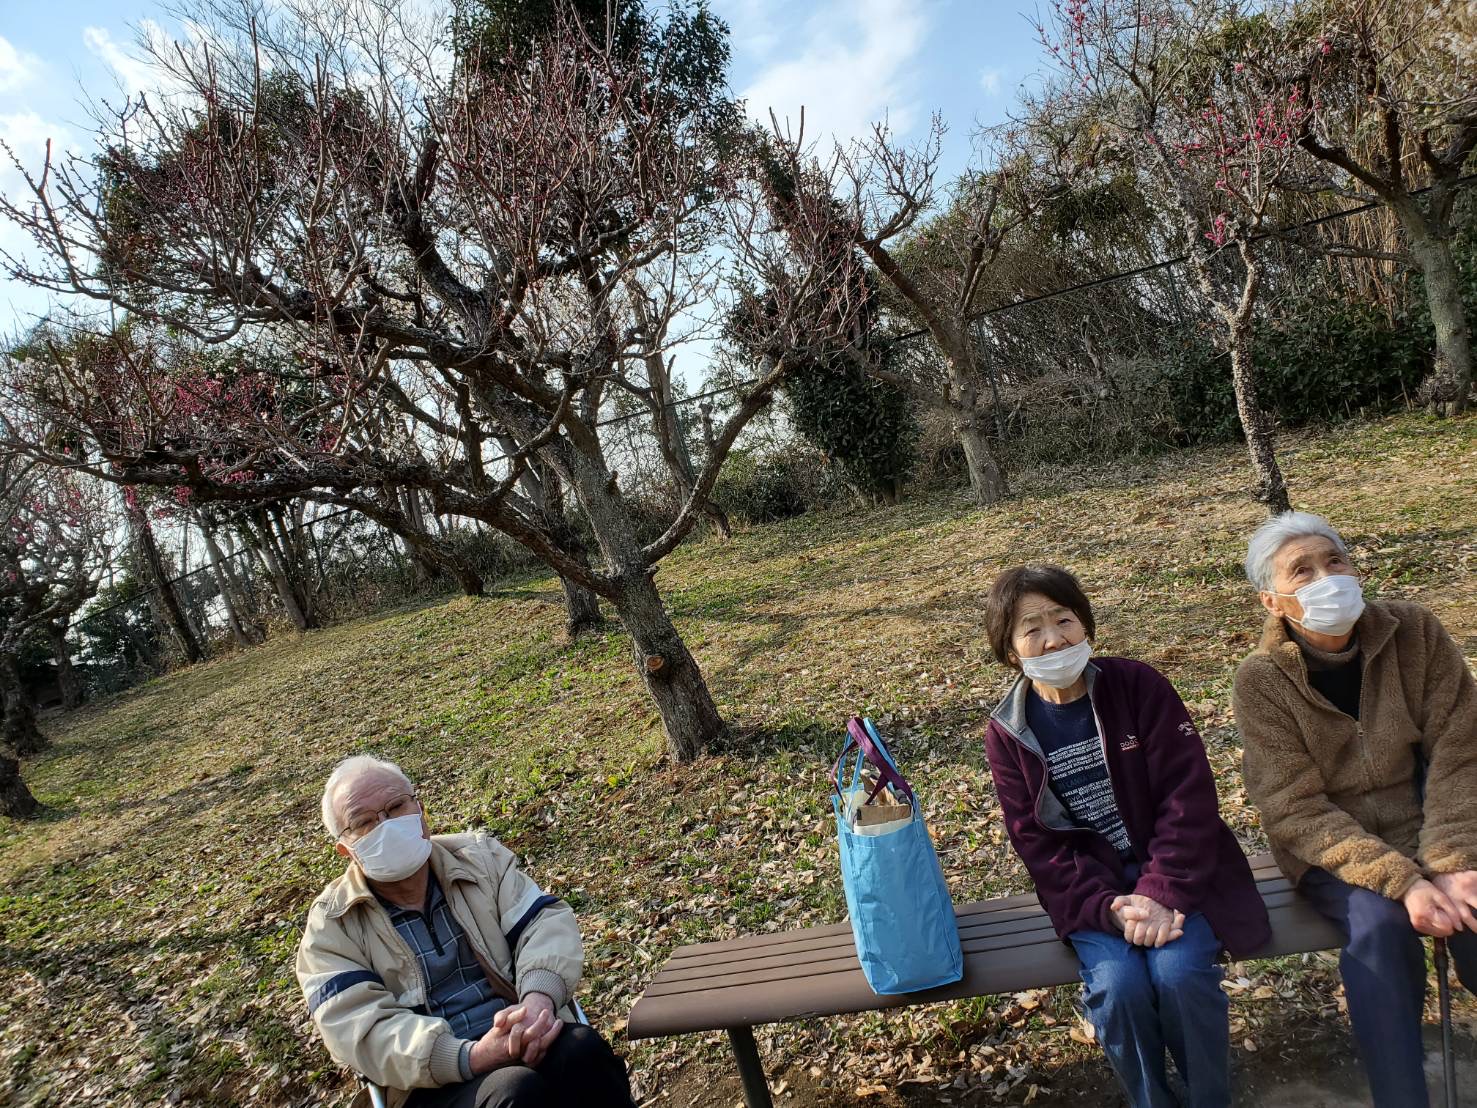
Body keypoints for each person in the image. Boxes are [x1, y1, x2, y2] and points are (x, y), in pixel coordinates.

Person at [983, 565, 1269, 1108]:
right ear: (1011, 650)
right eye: (1032, 628)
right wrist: (1109, 907)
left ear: (1086, 625)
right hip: (1095, 894)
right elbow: (1038, 845)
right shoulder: (1008, 733)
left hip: (1176, 876)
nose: (1054, 638)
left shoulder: (1138, 686)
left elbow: (1188, 797)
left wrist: (1159, 893)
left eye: (1064, 620)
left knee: (1181, 975)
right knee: (1118, 989)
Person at [1233, 511, 1477, 1108]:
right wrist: (1404, 883)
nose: (1326, 578)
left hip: (1430, 825)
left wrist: (1449, 860)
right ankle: (1402, 1095)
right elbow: (1294, 808)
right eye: (1303, 571)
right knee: (1379, 928)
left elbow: (1460, 746)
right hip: (1334, 853)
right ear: (1273, 600)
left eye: (1334, 560)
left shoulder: (1414, 632)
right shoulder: (1261, 681)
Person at [296, 755, 637, 1108]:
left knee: (584, 1053)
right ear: (345, 848)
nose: (386, 825)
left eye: (396, 806)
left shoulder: (479, 858)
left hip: (523, 1030)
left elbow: (544, 923)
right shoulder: (331, 927)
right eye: (364, 822)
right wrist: (469, 1056)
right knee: (516, 1093)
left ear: (421, 812)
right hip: (426, 1081)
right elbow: (358, 1030)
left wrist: (539, 999)